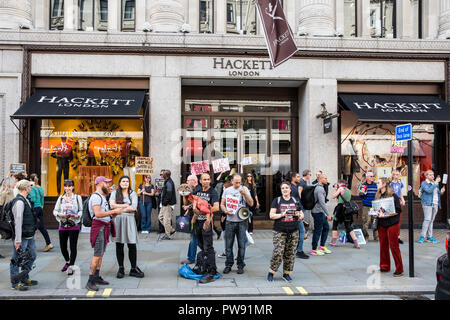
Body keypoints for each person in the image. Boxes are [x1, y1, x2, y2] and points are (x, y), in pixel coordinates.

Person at [85, 176, 123, 291]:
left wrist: (112, 215)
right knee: (97, 255)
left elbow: (104, 213)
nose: (108, 185)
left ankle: (96, 276)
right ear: (100, 183)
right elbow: (97, 214)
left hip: (104, 227)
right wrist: (113, 211)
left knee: (100, 254)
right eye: (106, 183)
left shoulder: (102, 197)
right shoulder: (96, 197)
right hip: (99, 228)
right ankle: (90, 280)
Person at [267, 181, 304, 282]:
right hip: (280, 231)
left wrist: (299, 215)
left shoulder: (295, 200)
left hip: (293, 231)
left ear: (290, 189)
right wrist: (282, 214)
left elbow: (301, 215)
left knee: (290, 253)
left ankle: (286, 273)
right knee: (278, 252)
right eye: (283, 188)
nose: (285, 190)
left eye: (286, 188)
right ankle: (271, 272)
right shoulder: (277, 200)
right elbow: (271, 215)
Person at [187, 173, 220, 284]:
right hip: (197, 223)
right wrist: (185, 196)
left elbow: (216, 207)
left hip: (206, 223)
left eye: (208, 179)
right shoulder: (198, 191)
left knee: (208, 247)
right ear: (200, 181)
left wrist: (205, 210)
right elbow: (189, 202)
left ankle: (212, 272)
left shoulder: (213, 192)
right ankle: (205, 266)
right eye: (204, 179)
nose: (206, 181)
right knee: (201, 246)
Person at [110, 176, 144, 278]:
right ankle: (121, 268)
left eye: (127, 181)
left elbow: (133, 208)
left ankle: (133, 268)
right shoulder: (114, 193)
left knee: (132, 245)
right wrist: (125, 205)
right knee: (119, 245)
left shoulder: (132, 193)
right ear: (119, 183)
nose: (125, 183)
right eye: (123, 181)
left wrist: (118, 207)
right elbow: (111, 206)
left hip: (129, 220)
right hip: (118, 221)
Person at [221, 174, 253, 275]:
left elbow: (251, 203)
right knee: (228, 245)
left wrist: (245, 194)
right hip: (230, 221)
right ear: (231, 181)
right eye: (236, 182)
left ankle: (240, 265)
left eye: (239, 182)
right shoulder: (227, 190)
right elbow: (222, 204)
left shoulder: (244, 189)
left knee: (241, 245)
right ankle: (228, 264)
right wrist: (226, 211)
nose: (238, 184)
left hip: (241, 221)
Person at [9, 180, 38, 291]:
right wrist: (17, 240)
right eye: (30, 187)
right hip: (21, 236)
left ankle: (24, 277)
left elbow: (29, 218)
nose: (31, 188)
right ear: (26, 188)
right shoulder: (19, 202)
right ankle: (15, 282)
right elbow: (18, 220)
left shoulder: (26, 200)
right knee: (16, 259)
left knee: (32, 255)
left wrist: (33, 233)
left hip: (29, 235)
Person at [374, 177, 403, 276]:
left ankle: (399, 268)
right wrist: (374, 212)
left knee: (394, 246)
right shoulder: (378, 195)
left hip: (392, 223)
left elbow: (398, 210)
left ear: (384, 184)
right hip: (381, 223)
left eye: (378, 182)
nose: (377, 184)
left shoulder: (393, 195)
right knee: (383, 246)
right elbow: (377, 208)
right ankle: (384, 266)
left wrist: (387, 214)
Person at [53, 179, 82, 275]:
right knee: (63, 247)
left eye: (69, 186)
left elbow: (81, 210)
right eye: (65, 186)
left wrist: (77, 215)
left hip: (74, 225)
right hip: (63, 224)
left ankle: (71, 266)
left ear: (73, 187)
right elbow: (55, 211)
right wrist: (60, 214)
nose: (67, 188)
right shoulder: (61, 198)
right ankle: (67, 261)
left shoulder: (77, 197)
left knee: (73, 247)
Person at [329, 180, 360, 249]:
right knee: (348, 226)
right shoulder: (348, 190)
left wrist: (335, 190)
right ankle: (356, 243)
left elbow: (333, 196)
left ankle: (333, 242)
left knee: (335, 224)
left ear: (340, 184)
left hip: (340, 208)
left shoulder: (340, 188)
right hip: (347, 210)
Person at [418, 170, 445, 244]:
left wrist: (441, 192)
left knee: (431, 220)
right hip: (427, 203)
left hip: (435, 203)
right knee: (427, 219)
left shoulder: (435, 183)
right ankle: (422, 236)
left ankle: (430, 236)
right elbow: (429, 191)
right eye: (430, 175)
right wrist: (436, 183)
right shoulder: (424, 183)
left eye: (433, 174)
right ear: (426, 176)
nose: (432, 176)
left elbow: (437, 193)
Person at [28, 174, 53, 252]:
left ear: (30, 179)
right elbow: (42, 199)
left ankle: (30, 246)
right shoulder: (41, 188)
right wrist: (41, 206)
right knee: (41, 227)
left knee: (32, 227)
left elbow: (33, 198)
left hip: (34, 208)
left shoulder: (32, 188)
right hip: (40, 208)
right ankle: (48, 243)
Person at [310, 173, 332, 256]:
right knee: (317, 231)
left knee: (326, 227)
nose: (326, 180)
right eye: (325, 178)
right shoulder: (319, 189)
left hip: (319, 212)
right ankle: (314, 249)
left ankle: (322, 246)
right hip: (317, 212)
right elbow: (322, 203)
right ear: (320, 179)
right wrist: (328, 214)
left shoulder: (318, 187)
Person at [180, 174, 199, 265]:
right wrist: (184, 194)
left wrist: (188, 206)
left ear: (193, 181)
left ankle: (191, 258)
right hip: (193, 216)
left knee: (193, 238)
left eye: (188, 181)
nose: (187, 182)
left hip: (198, 217)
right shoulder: (191, 190)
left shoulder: (198, 190)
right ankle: (208, 250)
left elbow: (197, 203)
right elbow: (186, 202)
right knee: (196, 237)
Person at [290, 172, 308, 259]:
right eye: (297, 177)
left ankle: (295, 249)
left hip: (296, 212)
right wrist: (299, 212)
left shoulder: (295, 186)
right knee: (302, 231)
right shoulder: (292, 188)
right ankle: (299, 251)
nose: (299, 178)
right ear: (293, 178)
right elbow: (294, 201)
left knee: (297, 232)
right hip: (295, 213)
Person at [359, 171, 378, 241]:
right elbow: (361, 197)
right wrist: (362, 193)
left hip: (375, 207)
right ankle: (365, 237)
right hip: (366, 206)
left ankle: (376, 237)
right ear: (367, 177)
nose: (373, 178)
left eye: (373, 176)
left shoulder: (376, 185)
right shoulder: (363, 185)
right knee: (366, 222)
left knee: (375, 222)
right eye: (371, 176)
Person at [158, 170, 177, 240]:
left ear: (166, 175)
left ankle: (167, 235)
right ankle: (171, 230)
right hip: (164, 204)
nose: (161, 175)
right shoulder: (167, 181)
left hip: (167, 204)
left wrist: (165, 202)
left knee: (166, 220)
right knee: (160, 217)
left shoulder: (169, 182)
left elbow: (169, 194)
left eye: (162, 174)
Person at [390, 170, 405, 244]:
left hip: (398, 200)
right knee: (392, 218)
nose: (396, 176)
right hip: (392, 200)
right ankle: (392, 236)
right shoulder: (390, 183)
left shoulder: (400, 182)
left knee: (398, 219)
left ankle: (398, 236)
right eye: (395, 174)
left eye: (397, 174)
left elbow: (400, 192)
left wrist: (402, 199)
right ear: (392, 175)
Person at [298, 169, 312, 234]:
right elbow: (299, 192)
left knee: (302, 217)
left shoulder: (304, 181)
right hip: (302, 203)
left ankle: (301, 229)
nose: (310, 176)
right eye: (310, 174)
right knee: (301, 217)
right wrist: (303, 201)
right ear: (307, 174)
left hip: (303, 203)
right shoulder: (301, 181)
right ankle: (300, 230)